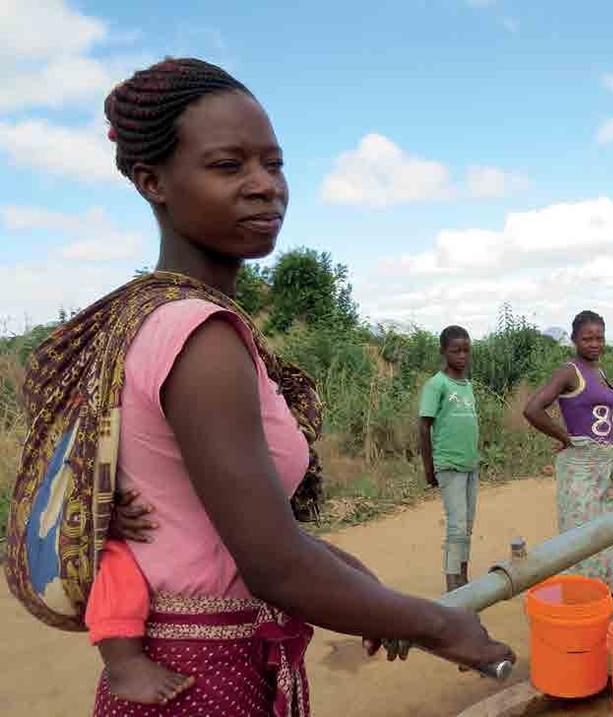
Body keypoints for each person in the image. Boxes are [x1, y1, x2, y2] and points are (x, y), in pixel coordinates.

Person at [5, 58, 512, 715]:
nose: (264, 186)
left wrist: (356, 581)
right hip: (197, 679)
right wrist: (441, 625)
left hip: (187, 661)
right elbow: (272, 563)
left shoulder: (147, 318)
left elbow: (219, 527)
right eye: (228, 166)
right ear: (152, 181)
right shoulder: (198, 337)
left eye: (273, 164)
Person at [523, 310, 613, 612]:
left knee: (608, 530)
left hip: (606, 462)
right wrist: (564, 437)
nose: (594, 343)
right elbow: (533, 409)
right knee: (581, 533)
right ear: (574, 339)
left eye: (599, 338)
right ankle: (580, 599)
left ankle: (605, 593)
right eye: (587, 338)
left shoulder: (598, 372)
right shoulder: (569, 371)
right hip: (582, 465)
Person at [419, 326, 480, 592]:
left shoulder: (467, 385)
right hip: (448, 464)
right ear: (443, 351)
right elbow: (424, 426)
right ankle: (452, 584)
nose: (462, 356)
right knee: (455, 527)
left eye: (466, 350)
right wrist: (429, 468)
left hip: (470, 464)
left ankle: (463, 578)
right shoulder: (437, 384)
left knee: (467, 526)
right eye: (456, 351)